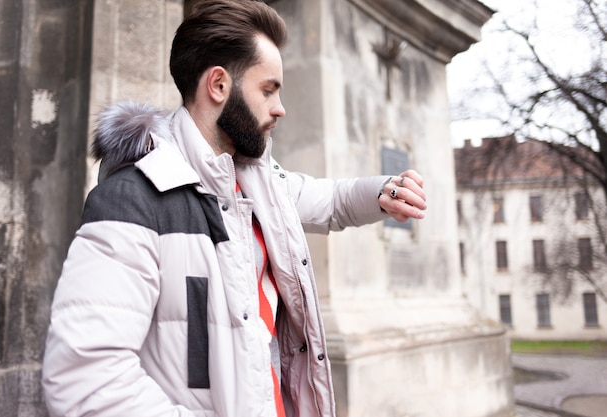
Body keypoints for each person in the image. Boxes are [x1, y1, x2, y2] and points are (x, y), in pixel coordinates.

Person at [41, 1, 427, 416]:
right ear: (219, 85)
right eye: (269, 89)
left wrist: (385, 191)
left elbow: (331, 200)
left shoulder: (260, 182)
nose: (280, 107)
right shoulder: (131, 200)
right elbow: (85, 379)